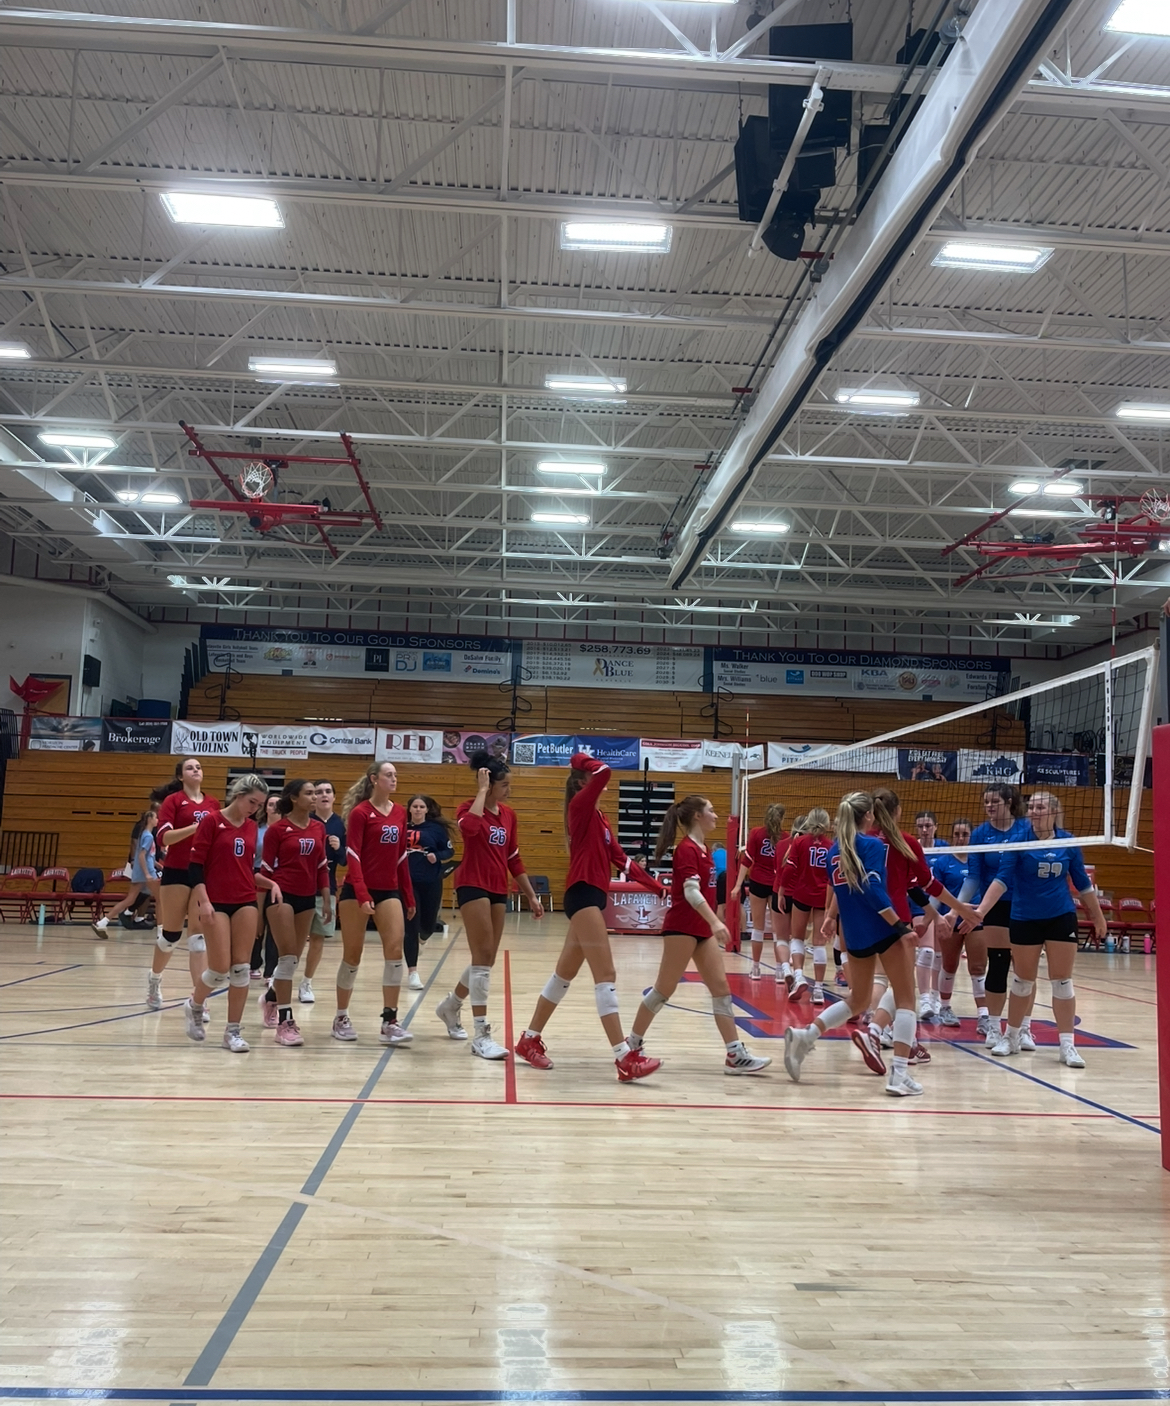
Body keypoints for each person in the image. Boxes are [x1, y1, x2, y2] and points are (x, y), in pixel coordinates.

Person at [515, 752, 664, 1081]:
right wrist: (582, 760)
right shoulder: (579, 808)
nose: (602, 786)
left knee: (562, 976)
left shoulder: (600, 819)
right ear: (584, 784)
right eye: (592, 780)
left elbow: (622, 860)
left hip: (593, 895)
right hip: (581, 893)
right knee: (606, 974)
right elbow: (605, 772)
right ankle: (624, 1059)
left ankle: (528, 1040)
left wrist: (655, 886)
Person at [783, 792, 922, 1097]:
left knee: (858, 1001)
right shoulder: (870, 845)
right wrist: (898, 926)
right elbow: (872, 888)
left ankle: (806, 1036)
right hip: (881, 928)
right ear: (869, 816)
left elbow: (838, 887)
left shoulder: (836, 850)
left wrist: (832, 917)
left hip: (855, 933)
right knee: (906, 998)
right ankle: (899, 1075)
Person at [624, 795, 771, 1075]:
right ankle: (631, 1045)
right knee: (662, 991)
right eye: (712, 810)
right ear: (697, 817)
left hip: (700, 930)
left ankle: (735, 1054)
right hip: (681, 927)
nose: (716, 815)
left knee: (721, 990)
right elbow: (691, 893)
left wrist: (710, 924)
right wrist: (716, 922)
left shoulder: (703, 849)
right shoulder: (687, 850)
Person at [848, 789, 977, 1073]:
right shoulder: (905, 843)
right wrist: (959, 908)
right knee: (904, 989)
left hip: (861, 919)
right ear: (899, 811)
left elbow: (908, 885)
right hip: (895, 920)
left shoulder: (859, 841)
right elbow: (928, 884)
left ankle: (892, 1035)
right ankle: (877, 1034)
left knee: (876, 985)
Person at [975, 791, 1107, 1066]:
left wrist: (1098, 917)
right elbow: (1001, 880)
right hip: (1025, 917)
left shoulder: (1069, 842)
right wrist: (980, 912)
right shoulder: (1018, 841)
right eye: (1031, 807)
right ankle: (1011, 1036)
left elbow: (1082, 883)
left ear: (1053, 811)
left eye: (1040, 807)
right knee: (1023, 981)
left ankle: (1067, 1046)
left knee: (1062, 981)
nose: (1033, 811)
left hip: (1060, 916)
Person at [436, 753, 543, 1059]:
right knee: (481, 957)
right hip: (472, 884)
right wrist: (481, 793)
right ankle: (481, 1034)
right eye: (504, 785)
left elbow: (514, 858)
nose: (509, 790)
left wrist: (531, 894)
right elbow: (469, 830)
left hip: (499, 887)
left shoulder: (509, 815)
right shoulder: (468, 809)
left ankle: (450, 1006)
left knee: (487, 959)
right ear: (489, 783)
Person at [183, 774, 277, 1052]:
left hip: (245, 899)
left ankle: (232, 1031)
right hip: (215, 901)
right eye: (252, 801)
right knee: (219, 968)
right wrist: (204, 902)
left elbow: (246, 868)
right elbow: (195, 866)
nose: (255, 808)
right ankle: (194, 1005)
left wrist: (269, 882)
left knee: (241, 969)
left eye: (259, 804)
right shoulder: (212, 821)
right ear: (238, 794)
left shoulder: (250, 827)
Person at [332, 760, 416, 1046]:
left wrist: (408, 894)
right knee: (352, 955)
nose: (394, 779)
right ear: (374, 779)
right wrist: (362, 892)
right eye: (389, 775)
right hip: (357, 891)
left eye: (395, 775)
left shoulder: (401, 812)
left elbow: (401, 856)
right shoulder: (360, 813)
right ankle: (341, 1016)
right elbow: (353, 854)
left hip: (389, 890)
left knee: (395, 951)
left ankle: (389, 1020)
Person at [959, 784, 1033, 1048]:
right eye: (986, 802)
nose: (989, 806)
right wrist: (957, 907)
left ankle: (1024, 1028)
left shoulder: (1026, 829)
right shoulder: (980, 834)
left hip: (1025, 903)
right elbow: (974, 876)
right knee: (998, 963)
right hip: (995, 906)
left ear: (1009, 802)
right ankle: (993, 1026)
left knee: (1025, 968)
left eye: (994, 801)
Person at [259, 779, 331, 1046]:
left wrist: (325, 898)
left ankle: (270, 998)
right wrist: (260, 905)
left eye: (316, 793)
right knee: (287, 958)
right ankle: (285, 1022)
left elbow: (322, 866)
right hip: (281, 896)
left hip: (307, 898)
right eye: (309, 793)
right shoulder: (277, 830)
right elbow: (263, 871)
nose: (315, 797)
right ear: (294, 797)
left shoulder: (317, 828)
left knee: (292, 961)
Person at [146, 758, 220, 1012]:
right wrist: (195, 828)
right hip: (177, 871)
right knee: (170, 936)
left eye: (199, 766)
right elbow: (164, 837)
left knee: (199, 939)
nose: (196, 770)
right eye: (190, 767)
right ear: (180, 776)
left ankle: (199, 999)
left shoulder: (213, 804)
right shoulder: (173, 801)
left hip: (201, 873)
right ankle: (154, 980)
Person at [777, 807, 832, 1004]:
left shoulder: (800, 842)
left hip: (802, 895)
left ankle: (799, 976)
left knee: (797, 938)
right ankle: (818, 990)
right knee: (819, 943)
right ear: (827, 824)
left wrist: (782, 891)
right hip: (822, 897)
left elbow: (790, 868)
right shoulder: (831, 845)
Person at [300, 779, 347, 1004]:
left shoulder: (341, 824)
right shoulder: (305, 821)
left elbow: (347, 860)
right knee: (295, 940)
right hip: (301, 887)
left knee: (318, 938)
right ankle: (278, 976)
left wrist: (340, 849)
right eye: (318, 792)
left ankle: (307, 982)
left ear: (334, 797)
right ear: (312, 798)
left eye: (328, 791)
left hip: (326, 888)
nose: (323, 795)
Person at [729, 803, 786, 983]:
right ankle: (779, 970)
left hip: (758, 883)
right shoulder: (785, 838)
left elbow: (747, 861)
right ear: (782, 819)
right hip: (776, 885)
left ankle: (755, 968)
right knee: (778, 931)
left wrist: (738, 886)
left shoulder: (756, 833)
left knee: (758, 928)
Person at [404, 795, 455, 990]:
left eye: (421, 806)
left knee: (428, 925)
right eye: (414, 806)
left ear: (426, 810)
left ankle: (423, 939)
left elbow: (449, 852)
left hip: (431, 881)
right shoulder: (402, 828)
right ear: (409, 809)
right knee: (410, 926)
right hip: (408, 883)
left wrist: (437, 856)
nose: (417, 809)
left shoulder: (436, 830)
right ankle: (412, 972)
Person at [929, 819, 972, 1028]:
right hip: (949, 920)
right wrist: (930, 916)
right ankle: (943, 1006)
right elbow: (936, 895)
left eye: (965, 834)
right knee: (947, 963)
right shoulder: (943, 862)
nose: (961, 838)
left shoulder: (977, 861)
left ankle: (984, 1016)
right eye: (957, 834)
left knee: (979, 966)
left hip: (974, 920)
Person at [92, 808, 159, 938]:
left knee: (130, 900)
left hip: (142, 872)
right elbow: (141, 856)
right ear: (150, 820)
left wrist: (160, 865)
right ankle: (163, 932)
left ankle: (103, 922)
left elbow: (149, 856)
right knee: (161, 900)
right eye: (156, 817)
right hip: (146, 873)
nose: (158, 820)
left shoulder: (145, 834)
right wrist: (147, 874)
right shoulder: (148, 836)